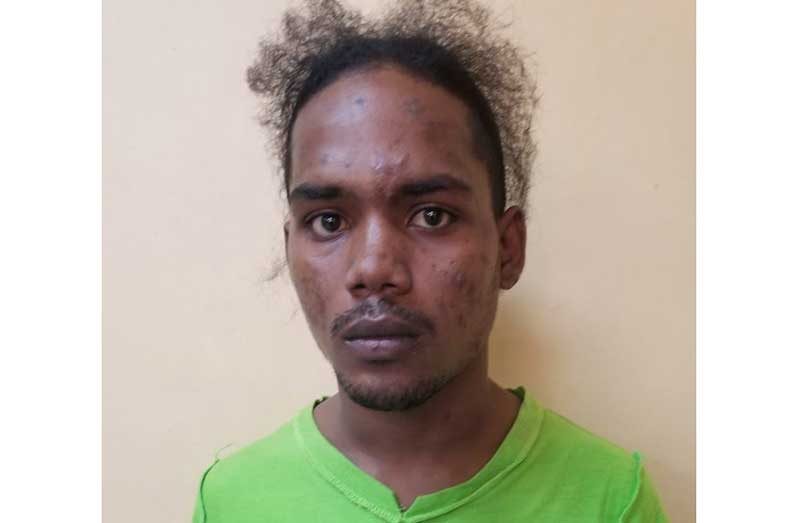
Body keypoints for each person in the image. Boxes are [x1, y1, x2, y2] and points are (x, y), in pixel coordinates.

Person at [192, 0, 668, 521]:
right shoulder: (232, 500)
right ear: (291, 247)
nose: (373, 269)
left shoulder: (609, 498)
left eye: (432, 216)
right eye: (328, 221)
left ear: (508, 249)